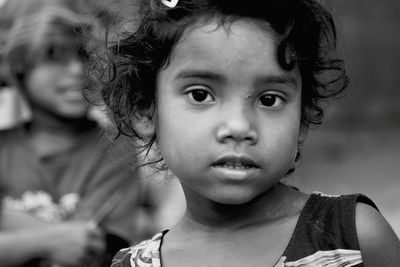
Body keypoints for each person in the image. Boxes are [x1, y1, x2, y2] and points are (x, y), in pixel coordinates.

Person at [93, 0, 400, 266]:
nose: (239, 126)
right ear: (145, 110)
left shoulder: (353, 236)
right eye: (200, 95)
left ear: (302, 121)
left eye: (269, 100)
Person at [0, 1, 145, 266]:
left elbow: (86, 249)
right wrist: (53, 240)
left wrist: (8, 223)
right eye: (54, 54)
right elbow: (70, 241)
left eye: (84, 54)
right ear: (18, 64)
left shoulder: (116, 148)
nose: (77, 70)